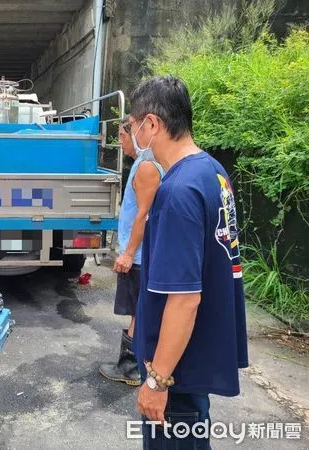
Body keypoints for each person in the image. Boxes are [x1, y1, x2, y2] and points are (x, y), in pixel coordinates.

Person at [130, 76, 248, 449]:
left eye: (133, 126)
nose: (132, 136)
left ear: (151, 125)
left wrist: (157, 380)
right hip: (196, 358)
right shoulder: (212, 171)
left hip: (177, 369)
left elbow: (184, 297)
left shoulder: (177, 192)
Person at [99, 118, 163, 386]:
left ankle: (131, 369)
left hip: (137, 256)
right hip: (136, 253)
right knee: (139, 309)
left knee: (139, 310)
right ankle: (133, 365)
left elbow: (143, 215)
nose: (120, 143)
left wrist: (127, 254)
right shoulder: (141, 164)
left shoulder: (148, 167)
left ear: (138, 133)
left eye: (123, 137)